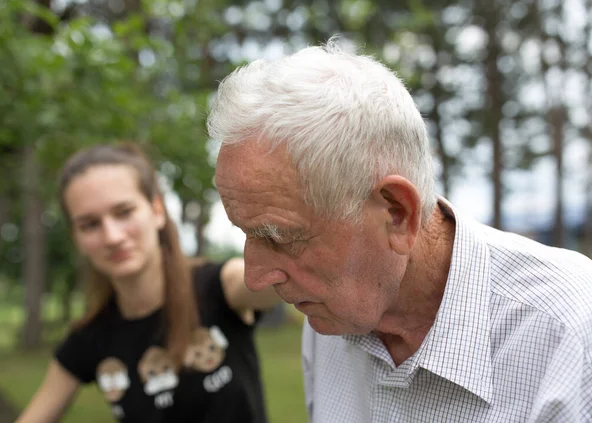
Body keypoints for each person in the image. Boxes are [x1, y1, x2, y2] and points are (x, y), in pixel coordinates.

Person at [208, 37, 592, 422]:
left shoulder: (569, 333)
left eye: (279, 237)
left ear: (396, 212)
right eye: (246, 232)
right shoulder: (329, 312)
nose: (256, 279)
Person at [16, 143, 280, 423]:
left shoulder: (219, 287)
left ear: (156, 211)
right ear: (76, 238)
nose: (112, 236)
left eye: (124, 212)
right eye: (90, 224)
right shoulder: (91, 337)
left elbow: (274, 278)